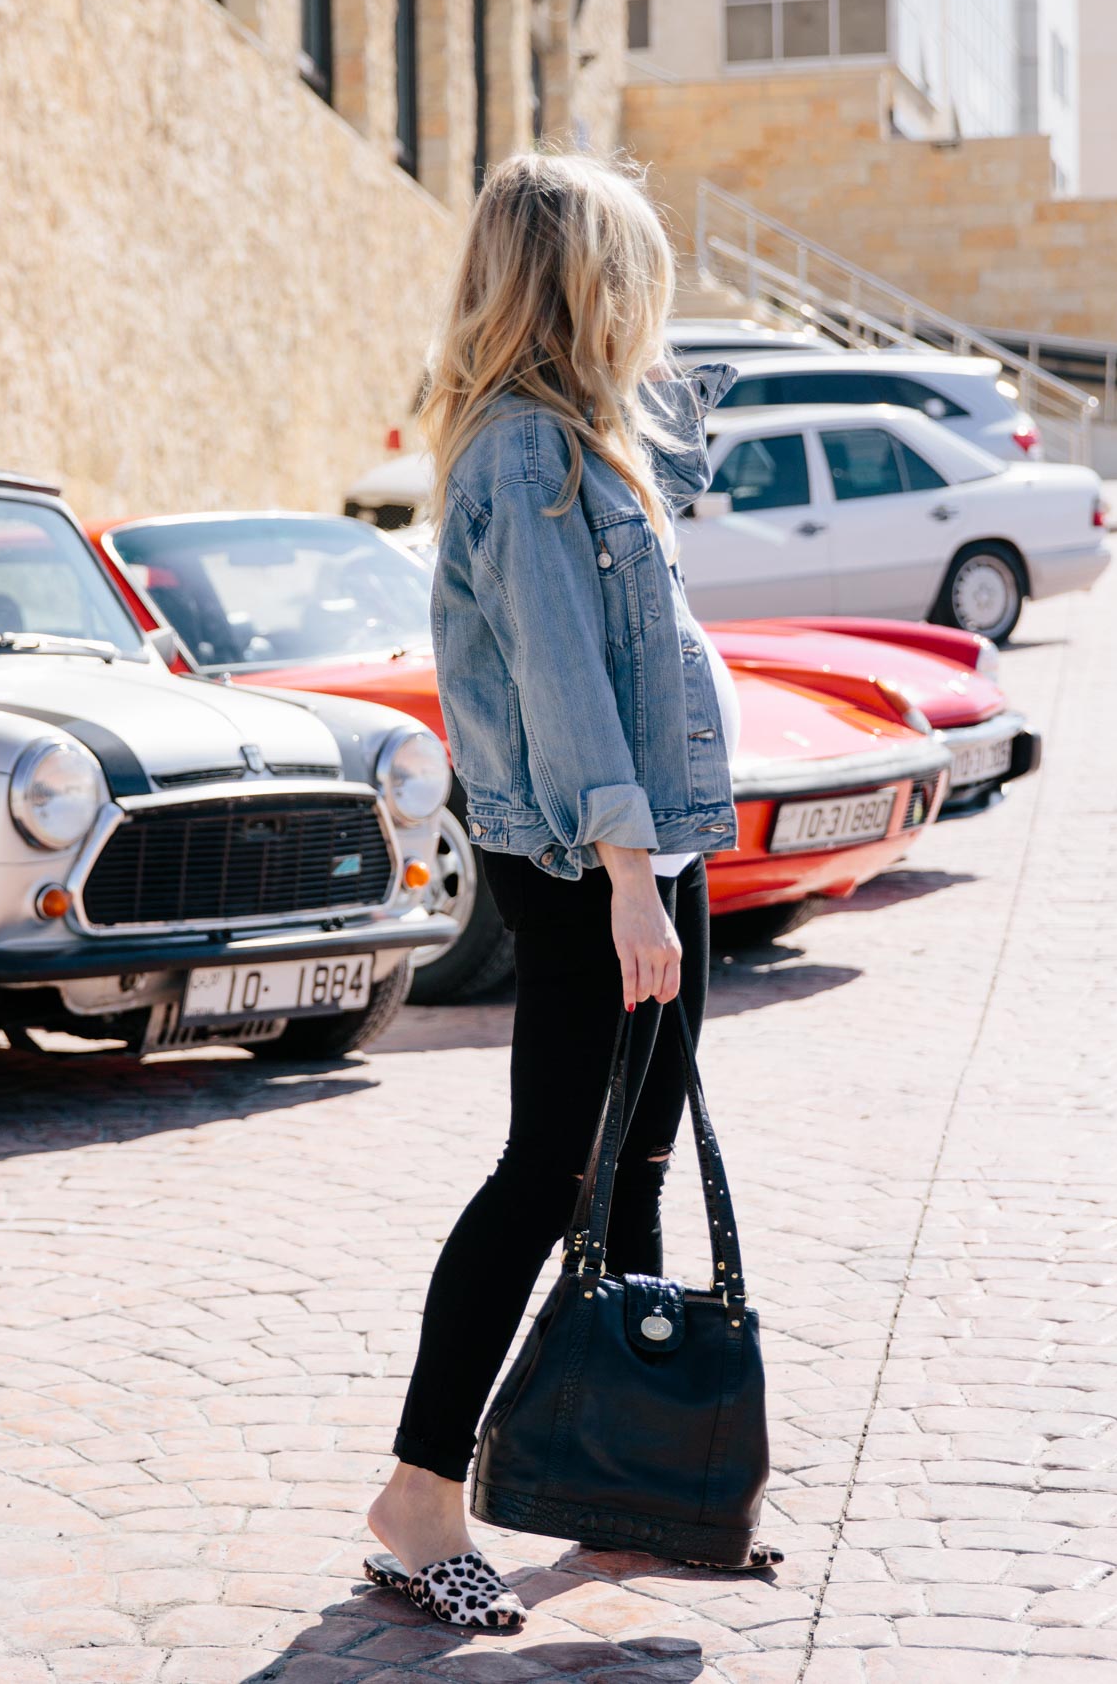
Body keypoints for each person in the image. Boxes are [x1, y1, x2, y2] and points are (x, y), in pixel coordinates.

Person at [363, 151, 768, 1631]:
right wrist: (626, 878)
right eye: (630, 274)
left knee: (636, 1168)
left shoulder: (585, 448)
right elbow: (559, 684)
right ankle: (418, 1502)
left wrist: (661, 867)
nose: (649, 305)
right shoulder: (522, 455)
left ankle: (627, 1478)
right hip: (597, 873)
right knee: (547, 1174)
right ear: (578, 282)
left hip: (657, 859)